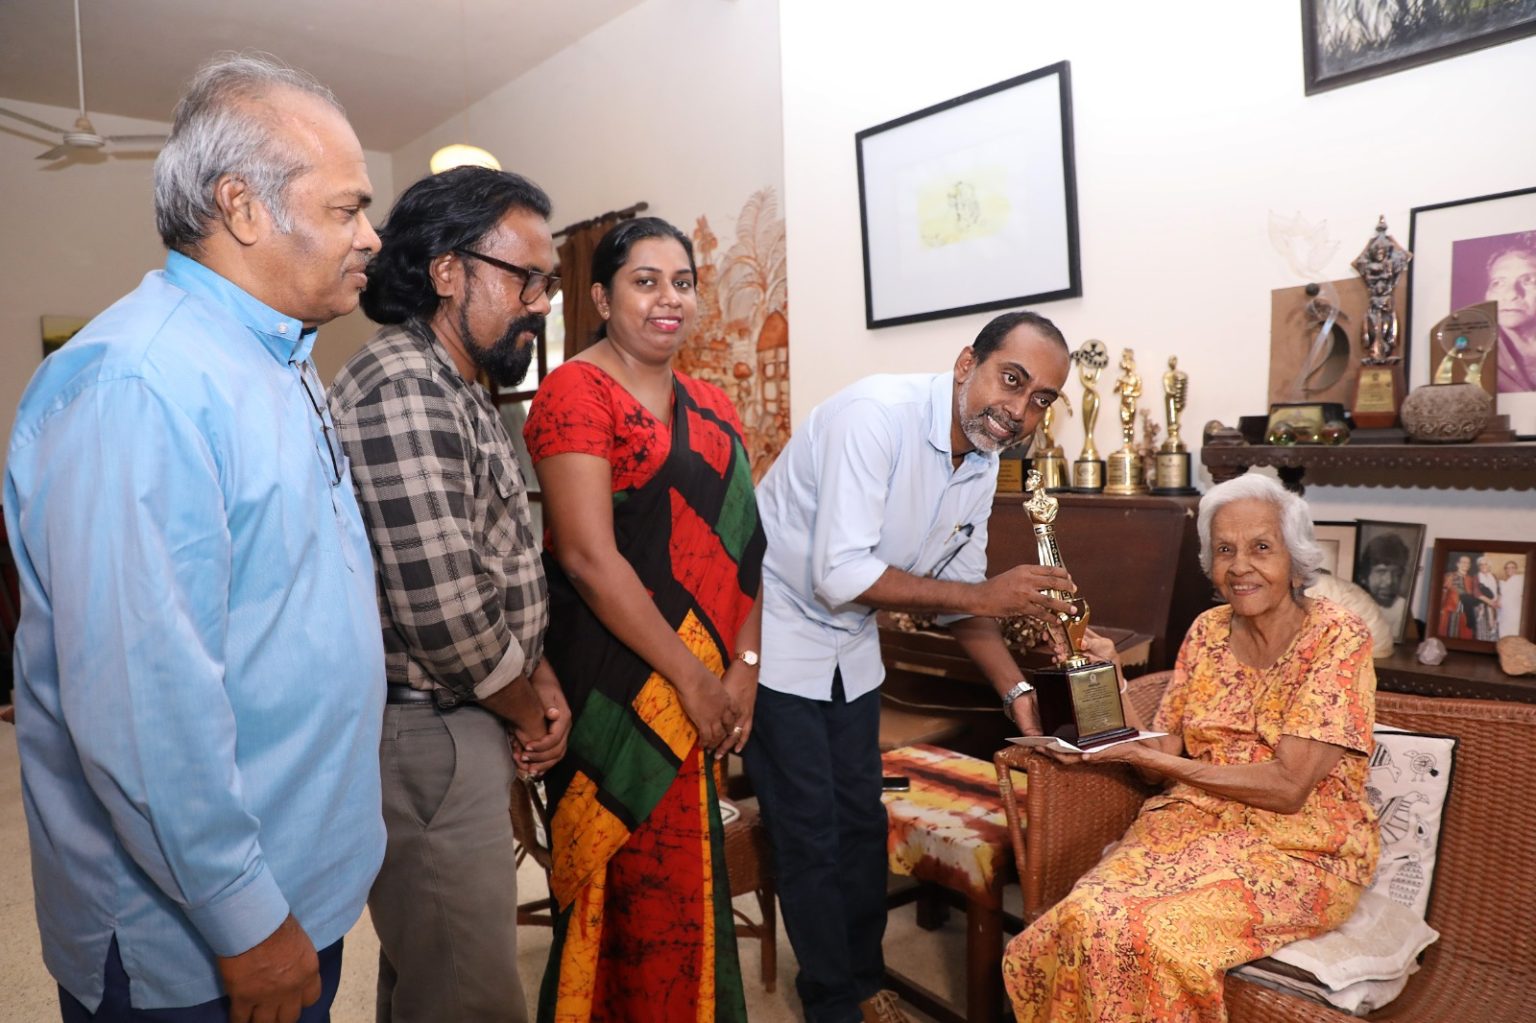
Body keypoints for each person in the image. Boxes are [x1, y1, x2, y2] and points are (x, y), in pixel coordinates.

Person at [4, 55, 384, 1021]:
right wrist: (245, 920)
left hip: (301, 879)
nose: (371, 236)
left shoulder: (278, 355)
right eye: (347, 209)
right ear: (243, 208)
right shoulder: (141, 384)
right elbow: (143, 709)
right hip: (203, 938)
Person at [749, 310, 1076, 1023]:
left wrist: (1015, 688)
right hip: (775, 636)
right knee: (808, 832)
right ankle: (831, 1003)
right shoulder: (874, 416)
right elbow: (840, 574)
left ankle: (866, 980)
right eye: (1010, 379)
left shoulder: (983, 458)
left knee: (861, 823)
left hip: (852, 647)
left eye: (1040, 399)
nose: (1018, 410)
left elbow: (961, 594)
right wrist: (983, 595)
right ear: (966, 364)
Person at [329, 167, 570, 1023]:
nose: (540, 303)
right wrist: (529, 709)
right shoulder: (405, 384)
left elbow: (496, 560)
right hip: (431, 726)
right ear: (446, 271)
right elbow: (445, 613)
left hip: (468, 711)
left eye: (549, 283)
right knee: (471, 996)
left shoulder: (458, 383)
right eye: (526, 278)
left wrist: (535, 674)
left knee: (433, 974)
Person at [1004, 473, 1380, 1022]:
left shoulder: (1337, 637)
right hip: (1189, 825)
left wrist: (1146, 757)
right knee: (1084, 915)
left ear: (1296, 561)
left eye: (1261, 548)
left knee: (1151, 936)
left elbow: (1287, 787)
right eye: (1225, 550)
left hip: (1301, 848)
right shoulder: (1206, 631)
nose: (1240, 566)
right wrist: (1112, 679)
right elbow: (1160, 761)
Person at [523, 217, 765, 1022]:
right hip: (614, 686)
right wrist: (693, 677)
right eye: (646, 280)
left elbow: (747, 547)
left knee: (691, 883)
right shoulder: (575, 391)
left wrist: (744, 670)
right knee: (622, 892)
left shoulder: (714, 402)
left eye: (683, 282)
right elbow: (587, 558)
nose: (670, 299)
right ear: (601, 297)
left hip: (707, 683)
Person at [1485, 238, 1536, 393]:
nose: (1511, 294)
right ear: (1487, 295)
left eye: (1528, 281)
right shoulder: (1474, 357)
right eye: (1498, 283)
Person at [1355, 531, 1411, 638]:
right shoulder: (1352, 604)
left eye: (1396, 573)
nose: (1389, 581)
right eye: (1381, 572)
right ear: (1364, 576)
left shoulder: (1401, 608)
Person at [1439, 555, 1478, 640]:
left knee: (1464, 638)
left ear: (1470, 565)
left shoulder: (1471, 579)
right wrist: (1440, 608)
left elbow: (1474, 597)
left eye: (1468, 563)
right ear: (1458, 564)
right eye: (1463, 562)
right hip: (1450, 611)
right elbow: (1442, 593)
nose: (1466, 564)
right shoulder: (1449, 576)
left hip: (1466, 614)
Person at [1475, 556, 1501, 641]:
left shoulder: (1493, 576)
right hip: (1482, 605)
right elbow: (1476, 593)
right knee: (1484, 629)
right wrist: (1490, 602)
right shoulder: (1476, 577)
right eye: (1481, 564)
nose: (1483, 566)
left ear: (1489, 566)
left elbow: (1498, 590)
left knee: (1495, 626)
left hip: (1495, 605)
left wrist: (1497, 601)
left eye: (1485, 564)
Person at [1499, 559, 1526, 640]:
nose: (1509, 569)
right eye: (1507, 568)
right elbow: (1502, 595)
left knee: (1514, 631)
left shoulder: (1520, 579)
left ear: (1516, 569)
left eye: (1512, 567)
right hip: (1504, 611)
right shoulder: (1504, 582)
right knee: (1504, 632)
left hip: (1515, 611)